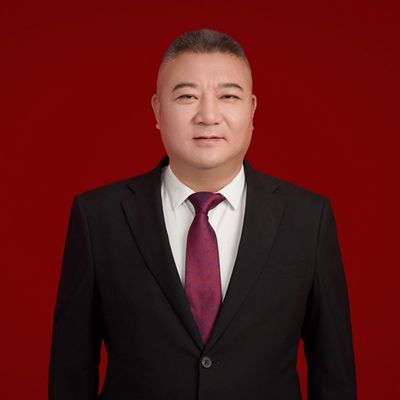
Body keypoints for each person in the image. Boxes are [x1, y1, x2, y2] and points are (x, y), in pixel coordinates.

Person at [48, 29, 357, 399]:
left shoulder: (308, 219)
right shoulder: (99, 217)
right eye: (187, 96)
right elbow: (71, 371)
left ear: (252, 110)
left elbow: (333, 374)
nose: (208, 115)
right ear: (158, 111)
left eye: (228, 96)